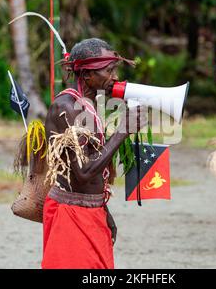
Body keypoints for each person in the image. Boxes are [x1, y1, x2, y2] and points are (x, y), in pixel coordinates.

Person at [41, 38, 147, 269]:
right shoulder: (67, 107)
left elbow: (92, 165)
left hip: (90, 211)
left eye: (115, 70)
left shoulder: (90, 105)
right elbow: (82, 172)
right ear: (87, 75)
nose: (115, 77)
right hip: (70, 215)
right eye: (109, 70)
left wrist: (104, 210)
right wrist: (122, 132)